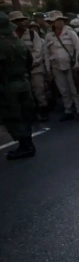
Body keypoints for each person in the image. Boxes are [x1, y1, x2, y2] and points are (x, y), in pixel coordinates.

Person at [0, 12, 36, 160]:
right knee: (25, 114)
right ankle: (28, 143)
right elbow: (30, 60)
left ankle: (25, 146)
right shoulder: (17, 42)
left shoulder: (2, 44)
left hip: (8, 84)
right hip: (23, 82)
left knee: (13, 115)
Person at [43, 11, 79, 122]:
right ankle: (68, 110)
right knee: (63, 90)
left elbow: (78, 48)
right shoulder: (49, 36)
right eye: (56, 20)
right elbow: (46, 53)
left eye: (60, 20)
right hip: (56, 65)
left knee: (74, 88)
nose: (59, 22)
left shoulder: (70, 33)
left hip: (70, 65)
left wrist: (77, 63)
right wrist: (48, 68)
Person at [10, 11, 48, 122]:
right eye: (15, 21)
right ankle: (30, 113)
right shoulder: (10, 36)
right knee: (26, 93)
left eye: (20, 21)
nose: (18, 23)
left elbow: (38, 50)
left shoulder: (32, 34)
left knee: (39, 90)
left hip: (35, 68)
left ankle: (43, 110)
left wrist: (30, 63)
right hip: (19, 70)